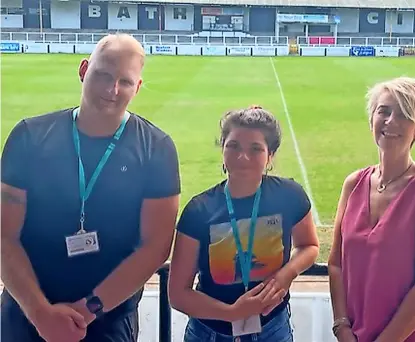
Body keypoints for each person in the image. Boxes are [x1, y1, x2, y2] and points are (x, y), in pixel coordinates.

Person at [1, 33, 181, 342]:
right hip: (25, 312)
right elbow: (4, 234)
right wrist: (40, 313)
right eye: (103, 75)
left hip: (108, 319)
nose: (112, 90)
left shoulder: (157, 148)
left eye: (125, 81)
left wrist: (88, 310)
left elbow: (156, 246)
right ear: (84, 70)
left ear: (136, 88)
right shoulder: (30, 136)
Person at [168, 105, 320, 342]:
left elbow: (309, 246)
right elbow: (177, 294)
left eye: (256, 149)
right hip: (210, 333)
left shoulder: (290, 196)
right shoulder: (199, 210)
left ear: (270, 156)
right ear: (222, 149)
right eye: (233, 146)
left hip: (273, 329)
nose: (243, 157)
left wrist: (286, 274)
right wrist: (232, 313)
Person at [328, 77, 415, 342]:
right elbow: (335, 263)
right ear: (372, 119)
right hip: (358, 333)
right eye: (384, 111)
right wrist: (342, 327)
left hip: (414, 335)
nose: (391, 121)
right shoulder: (353, 184)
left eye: (404, 114)